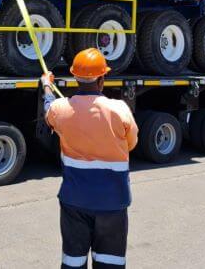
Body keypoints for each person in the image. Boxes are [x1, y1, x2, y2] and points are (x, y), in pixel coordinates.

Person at [41, 48, 138, 269]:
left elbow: (48, 108)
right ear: (102, 78)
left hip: (74, 200)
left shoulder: (61, 110)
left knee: (73, 262)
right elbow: (131, 143)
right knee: (110, 262)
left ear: (75, 78)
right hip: (113, 202)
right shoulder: (119, 110)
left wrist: (47, 84)